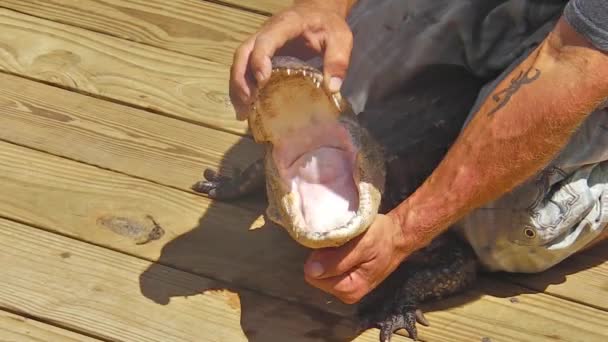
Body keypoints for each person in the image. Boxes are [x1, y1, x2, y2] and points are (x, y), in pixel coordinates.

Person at [230, 0, 608, 304]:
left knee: (507, 233)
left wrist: (404, 236)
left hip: (591, 49)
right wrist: (319, 7)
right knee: (312, 69)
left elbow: (571, 62)